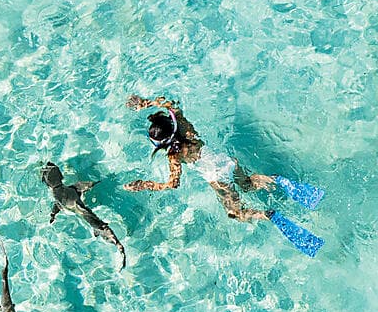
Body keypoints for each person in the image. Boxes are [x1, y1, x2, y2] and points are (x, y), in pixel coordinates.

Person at [122, 96, 324, 255]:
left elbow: (173, 184)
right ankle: (277, 181)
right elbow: (170, 104)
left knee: (236, 214)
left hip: (218, 178)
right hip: (227, 161)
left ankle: (267, 215)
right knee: (247, 185)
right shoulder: (185, 126)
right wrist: (144, 104)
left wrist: (146, 184)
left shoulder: (174, 157)